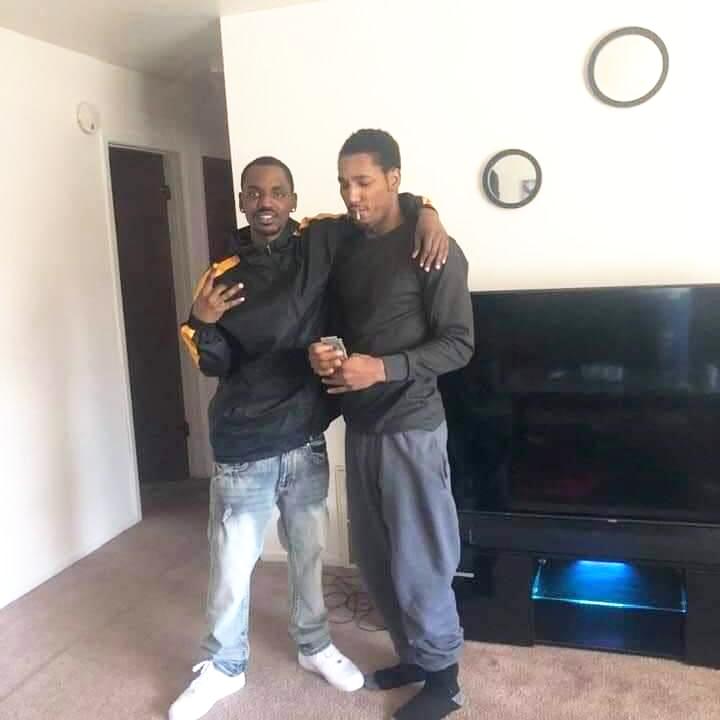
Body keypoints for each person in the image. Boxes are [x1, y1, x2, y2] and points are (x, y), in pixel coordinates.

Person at [169, 155, 449, 720]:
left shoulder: (320, 239)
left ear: (293, 200)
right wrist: (201, 320)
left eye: (277, 192)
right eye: (254, 193)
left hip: (305, 438)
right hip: (246, 443)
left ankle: (314, 644)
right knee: (232, 567)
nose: (265, 202)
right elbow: (212, 361)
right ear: (242, 202)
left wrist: (429, 211)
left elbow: (376, 208)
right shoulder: (221, 273)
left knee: (308, 557)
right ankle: (223, 666)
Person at [309, 129, 474, 720]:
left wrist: (382, 368)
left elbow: (459, 345)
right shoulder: (345, 244)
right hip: (361, 428)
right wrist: (327, 352)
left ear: (394, 179)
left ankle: (445, 684)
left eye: (364, 182)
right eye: (344, 184)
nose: (352, 196)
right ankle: (415, 658)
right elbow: (344, 323)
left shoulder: (433, 247)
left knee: (420, 560)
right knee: (378, 563)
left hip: (412, 427)